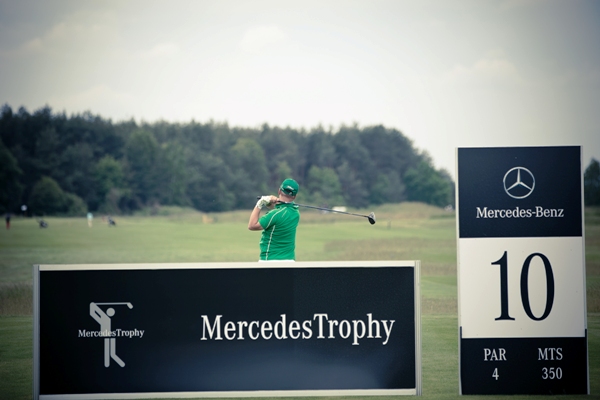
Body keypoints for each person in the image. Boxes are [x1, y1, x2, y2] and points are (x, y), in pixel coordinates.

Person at [248, 178, 300, 261]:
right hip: (290, 261)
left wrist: (260, 204)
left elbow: (252, 225)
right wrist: (270, 202)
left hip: (270, 260)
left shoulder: (274, 214)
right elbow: (281, 209)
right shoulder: (296, 213)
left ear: (279, 191)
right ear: (295, 196)